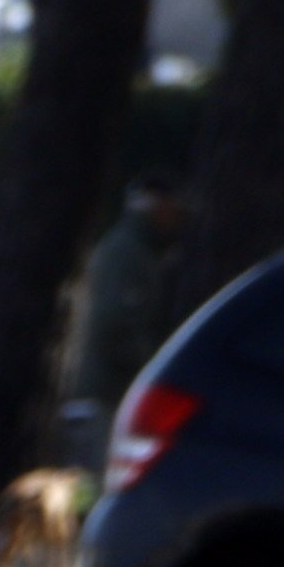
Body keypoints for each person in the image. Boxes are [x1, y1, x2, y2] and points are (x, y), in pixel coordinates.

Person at [59, 171, 192, 458]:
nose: (179, 221)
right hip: (101, 400)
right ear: (161, 208)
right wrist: (154, 372)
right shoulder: (127, 254)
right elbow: (116, 324)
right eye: (174, 210)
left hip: (102, 398)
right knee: (93, 488)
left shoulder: (134, 251)